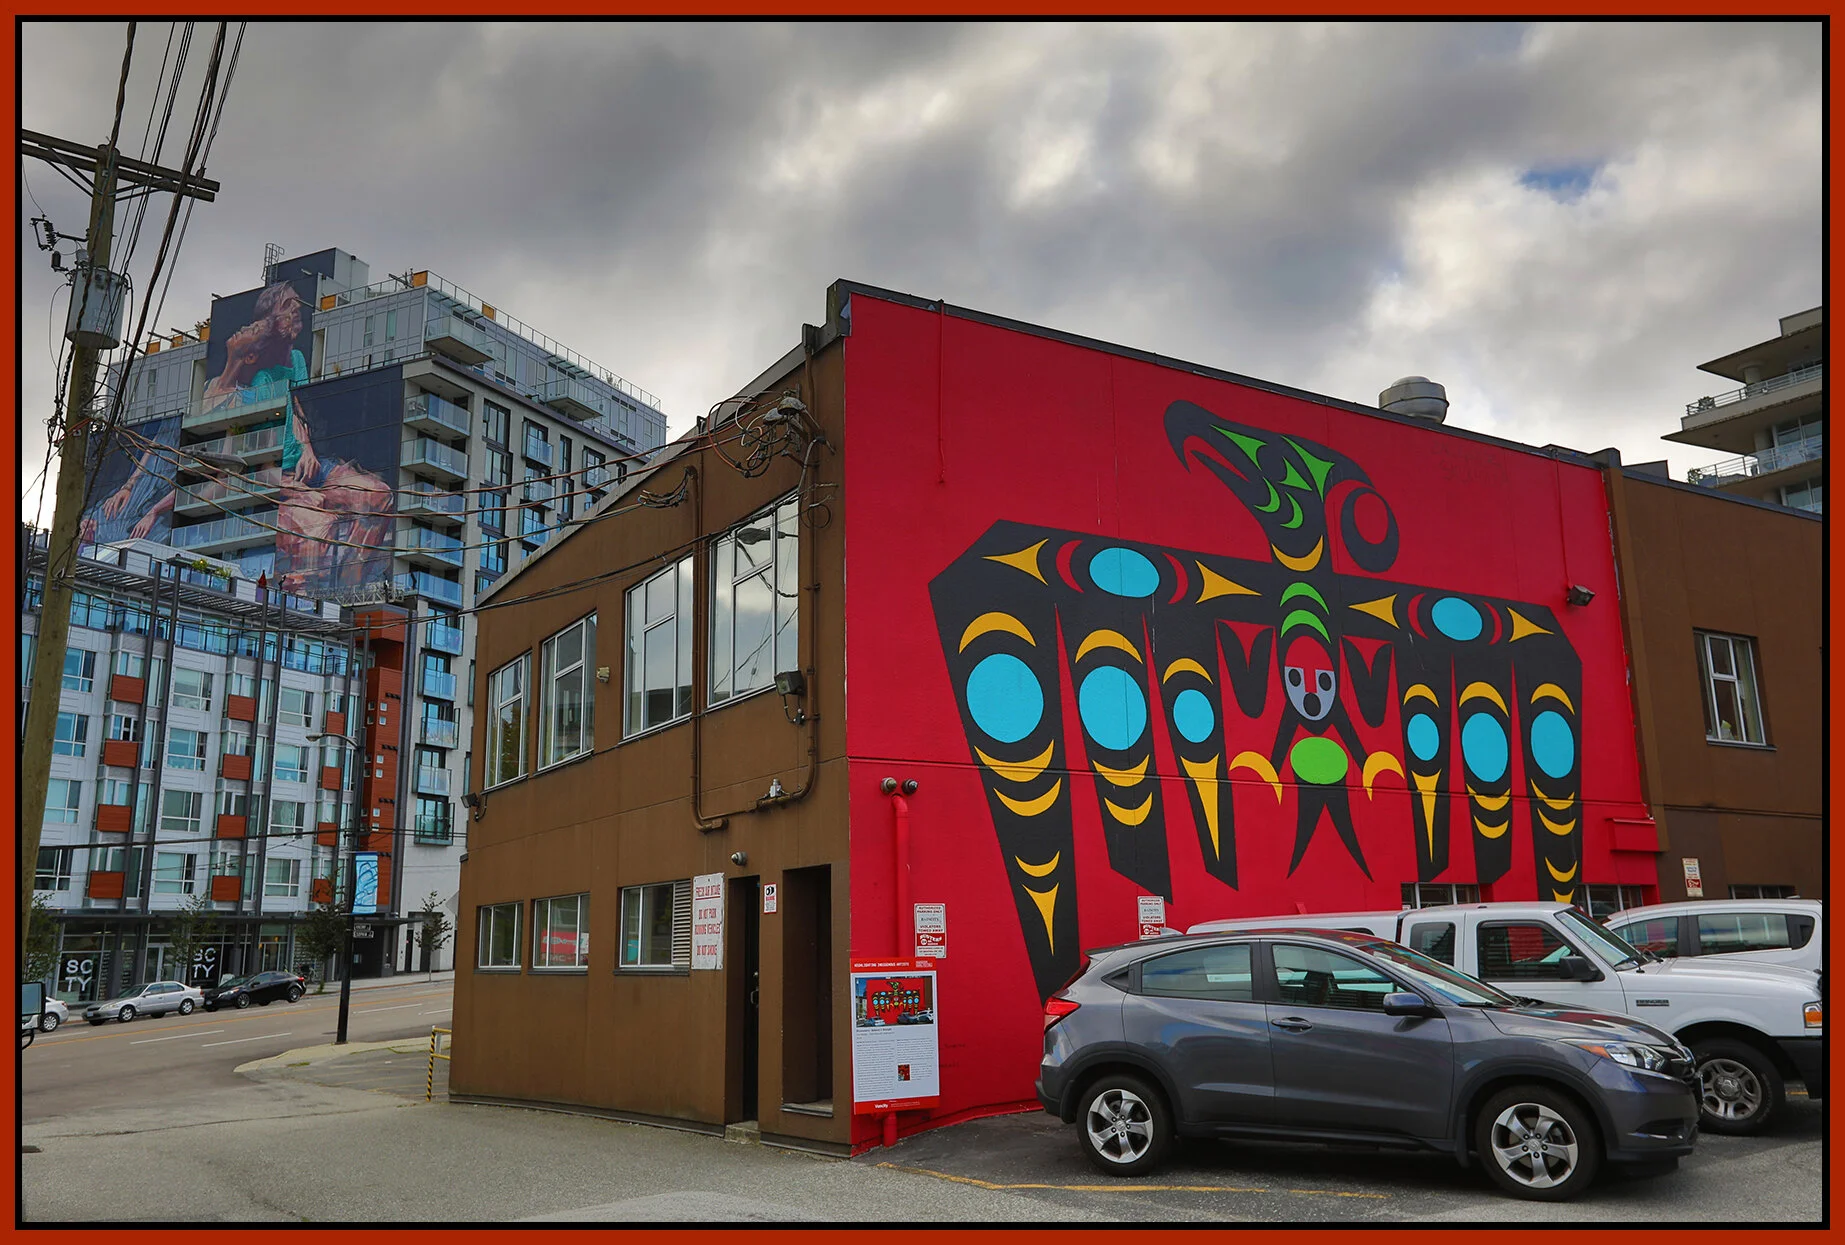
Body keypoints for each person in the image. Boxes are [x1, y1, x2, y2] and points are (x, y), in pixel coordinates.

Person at [200, 282, 309, 415]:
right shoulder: (208, 384)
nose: (243, 328)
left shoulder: (249, 394)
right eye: (287, 305)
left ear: (251, 357)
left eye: (253, 329)